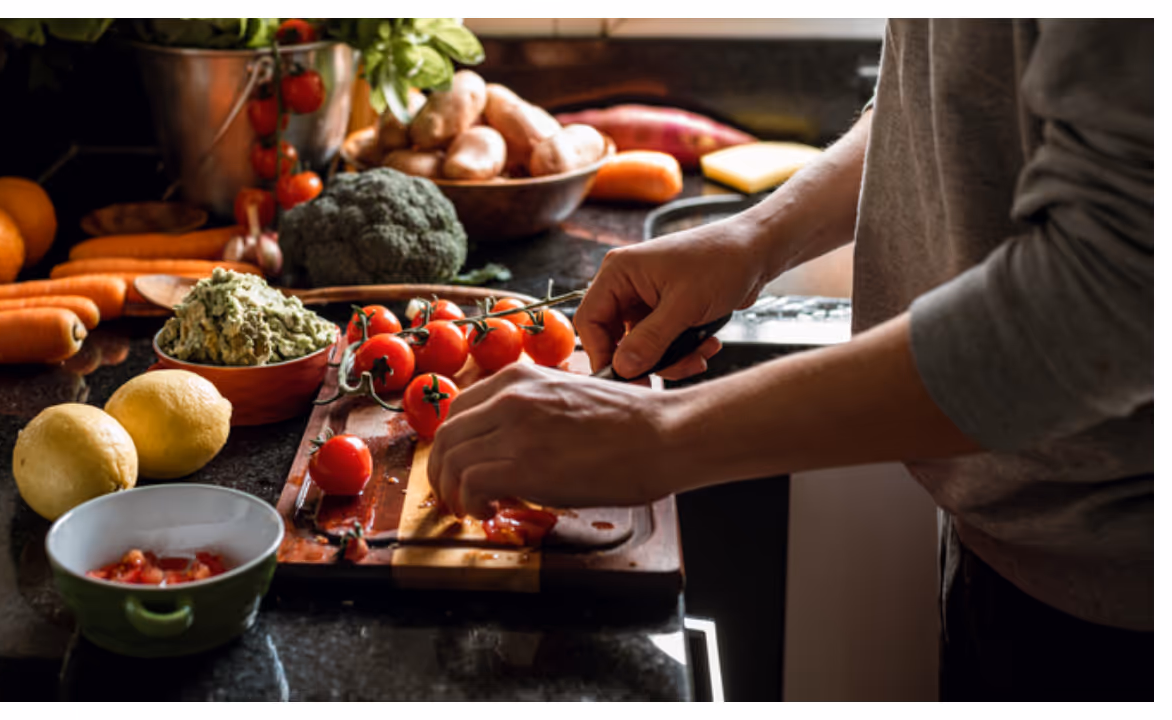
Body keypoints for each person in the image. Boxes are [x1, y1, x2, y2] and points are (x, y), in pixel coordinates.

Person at [427, 19, 1153, 700]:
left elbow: (1112, 294)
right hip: (1015, 532)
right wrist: (757, 236)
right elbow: (944, 102)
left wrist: (665, 433)